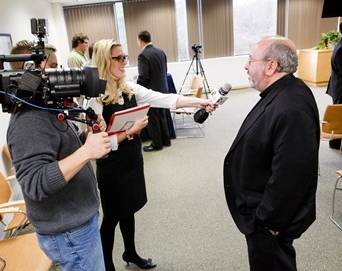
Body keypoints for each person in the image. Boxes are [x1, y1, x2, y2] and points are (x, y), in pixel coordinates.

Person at [90, 39, 216, 271]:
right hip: (112, 167)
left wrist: (199, 101)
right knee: (111, 219)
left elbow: (166, 99)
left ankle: (131, 252)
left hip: (132, 161)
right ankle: (107, 266)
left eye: (124, 56)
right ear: (104, 62)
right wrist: (129, 131)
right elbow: (97, 143)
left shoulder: (128, 88)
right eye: (119, 58)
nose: (124, 62)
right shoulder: (94, 98)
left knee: (129, 209)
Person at [7, 45, 111, 271]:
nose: (60, 73)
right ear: (32, 73)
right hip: (69, 233)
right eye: (53, 67)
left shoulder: (47, 107)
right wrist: (87, 152)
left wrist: (86, 137)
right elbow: (35, 183)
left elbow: (62, 151)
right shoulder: (28, 120)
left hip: (77, 223)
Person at [223, 36, 320, 271]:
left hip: (269, 222)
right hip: (263, 215)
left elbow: (292, 174)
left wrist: (268, 221)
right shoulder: (281, 93)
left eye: (250, 60)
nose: (246, 66)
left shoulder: (291, 106)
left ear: (270, 66)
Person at [137, 30, 171, 152]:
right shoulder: (161, 51)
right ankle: (166, 140)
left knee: (153, 119)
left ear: (140, 40)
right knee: (162, 115)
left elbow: (143, 76)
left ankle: (157, 144)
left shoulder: (143, 55)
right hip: (163, 89)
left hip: (151, 92)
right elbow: (165, 70)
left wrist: (137, 88)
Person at [326, 22, 342, 149]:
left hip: (338, 86)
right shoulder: (341, 49)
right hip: (340, 88)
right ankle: (335, 143)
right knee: (338, 115)